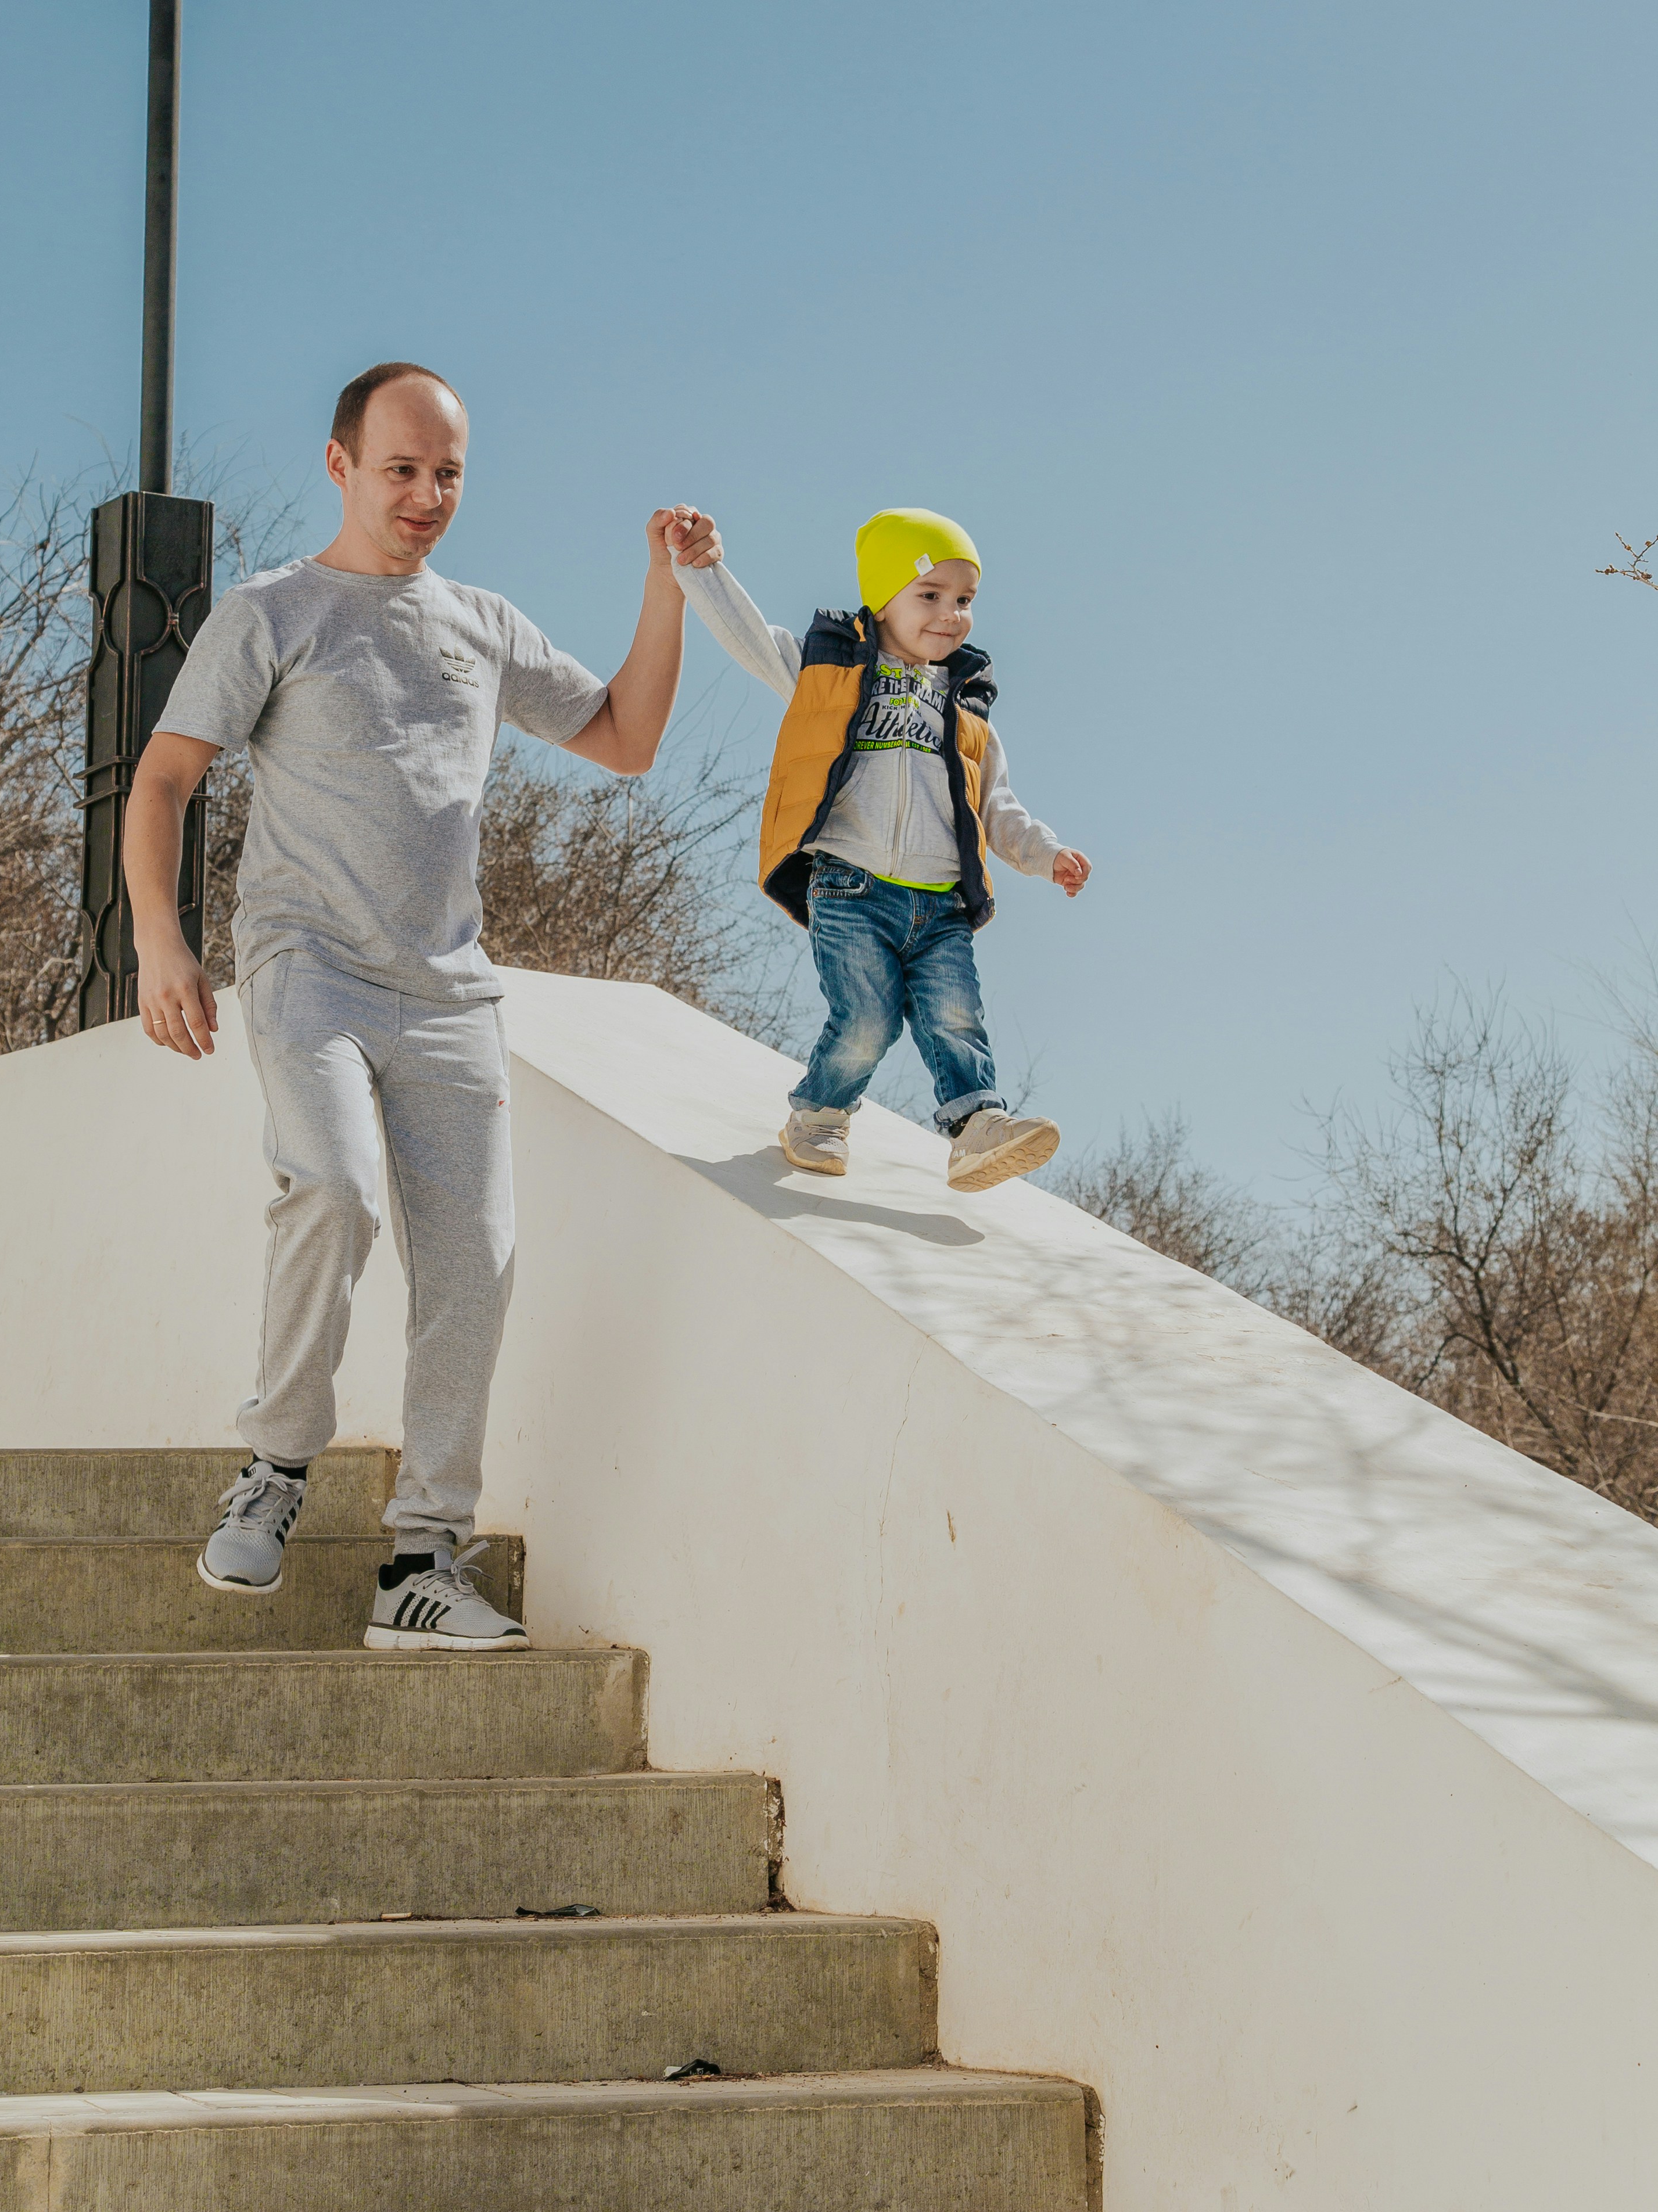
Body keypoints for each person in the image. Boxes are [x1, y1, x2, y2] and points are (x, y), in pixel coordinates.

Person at [121, 358, 719, 1649]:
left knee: (475, 1266)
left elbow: (622, 737)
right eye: (400, 468)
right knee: (331, 1190)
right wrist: (160, 941)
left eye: (446, 472)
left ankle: (420, 1561)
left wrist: (661, 591)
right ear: (339, 465)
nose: (424, 494)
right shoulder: (274, 612)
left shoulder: (481, 623)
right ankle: (276, 1470)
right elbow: (164, 777)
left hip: (448, 992)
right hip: (306, 966)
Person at [674, 507, 1090, 1190]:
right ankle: (818, 1113)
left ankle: (977, 1127)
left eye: (963, 600)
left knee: (957, 1017)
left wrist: (1045, 854)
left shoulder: (964, 708)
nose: (949, 614)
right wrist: (701, 568)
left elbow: (996, 805)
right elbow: (751, 638)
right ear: (883, 598)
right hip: (851, 888)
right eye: (929, 595)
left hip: (940, 903)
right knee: (866, 1018)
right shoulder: (831, 671)